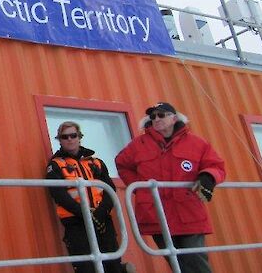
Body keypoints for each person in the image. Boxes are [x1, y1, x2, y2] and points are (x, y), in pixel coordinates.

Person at [115, 102, 226, 273]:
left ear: (174, 118)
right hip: (155, 214)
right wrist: (140, 187)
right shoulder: (139, 144)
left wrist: (207, 177)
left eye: (161, 115)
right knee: (176, 265)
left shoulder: (196, 143)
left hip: (188, 213)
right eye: (152, 116)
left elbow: (216, 166)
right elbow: (122, 163)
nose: (156, 119)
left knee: (196, 262)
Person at [46, 121, 128, 273]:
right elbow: (58, 194)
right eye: (65, 137)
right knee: (86, 268)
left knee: (113, 265)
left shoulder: (96, 162)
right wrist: (85, 213)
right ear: (59, 140)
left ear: (79, 137)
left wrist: (100, 212)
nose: (69, 139)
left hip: (102, 220)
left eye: (73, 135)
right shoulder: (55, 165)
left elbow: (110, 189)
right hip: (76, 223)